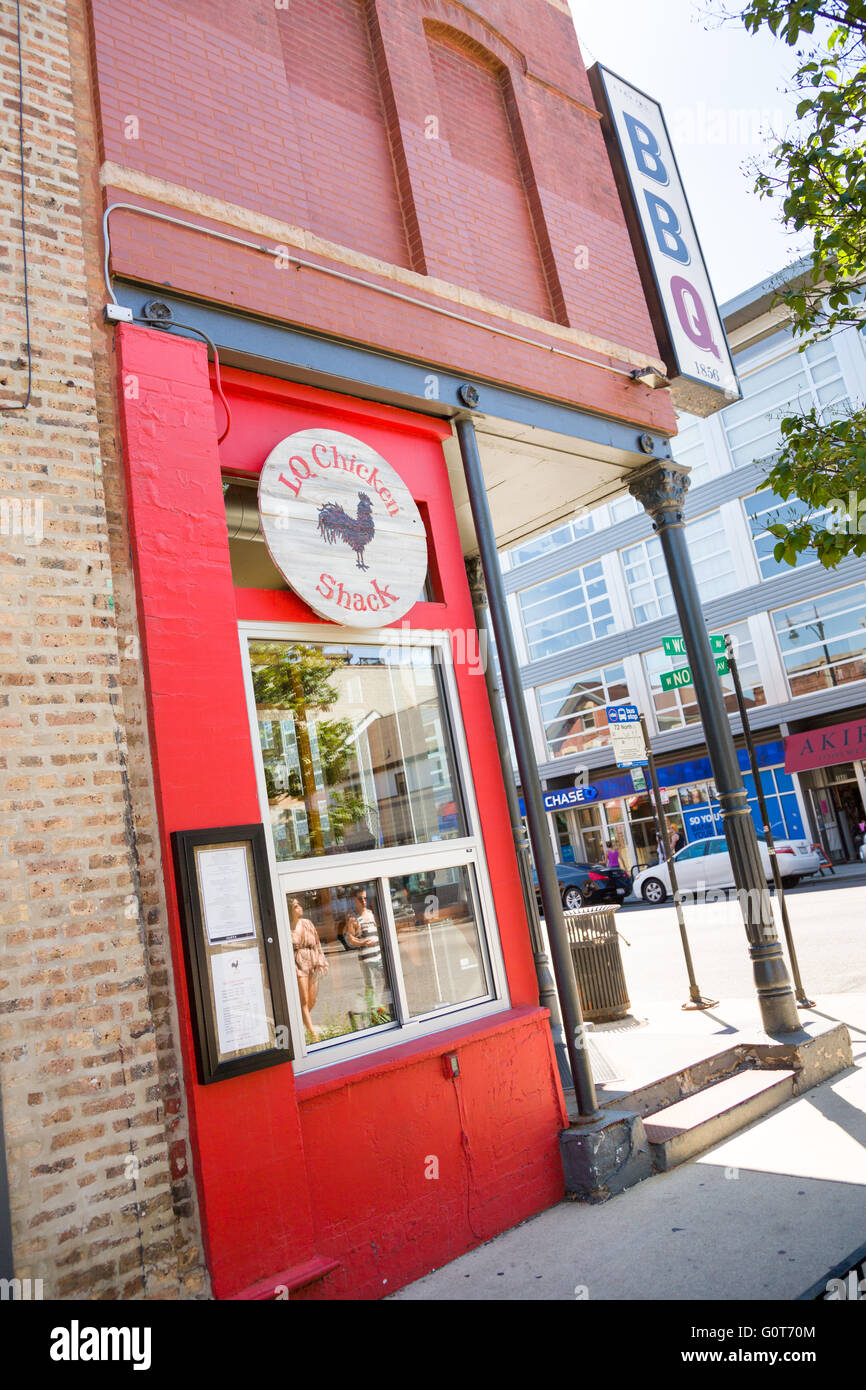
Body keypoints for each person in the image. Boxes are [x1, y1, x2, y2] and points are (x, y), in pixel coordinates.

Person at [289, 897, 328, 1041]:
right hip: (298, 964)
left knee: (312, 999)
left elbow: (317, 943)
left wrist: (321, 961)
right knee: (304, 1001)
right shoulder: (287, 928)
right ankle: (313, 1035)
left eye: (299, 904)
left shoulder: (307, 923)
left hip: (311, 961)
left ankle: (296, 1025)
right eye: (295, 906)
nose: (299, 907)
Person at [345, 886, 387, 1010]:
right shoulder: (353, 918)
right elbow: (351, 940)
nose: (364, 901)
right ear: (355, 900)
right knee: (370, 986)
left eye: (365, 898)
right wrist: (363, 943)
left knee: (388, 980)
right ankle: (372, 1012)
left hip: (378, 956)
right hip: (366, 960)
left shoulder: (370, 913)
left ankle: (380, 1006)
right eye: (360, 899)